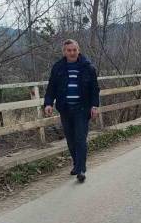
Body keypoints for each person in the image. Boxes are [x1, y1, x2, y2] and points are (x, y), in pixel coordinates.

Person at [43, 39, 100, 183]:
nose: (72, 52)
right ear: (64, 52)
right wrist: (48, 103)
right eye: (69, 50)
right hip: (65, 108)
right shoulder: (58, 68)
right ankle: (76, 163)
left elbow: (94, 88)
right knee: (71, 139)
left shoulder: (88, 67)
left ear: (78, 50)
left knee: (80, 138)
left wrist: (94, 106)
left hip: (82, 108)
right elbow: (52, 87)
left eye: (74, 50)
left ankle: (81, 169)